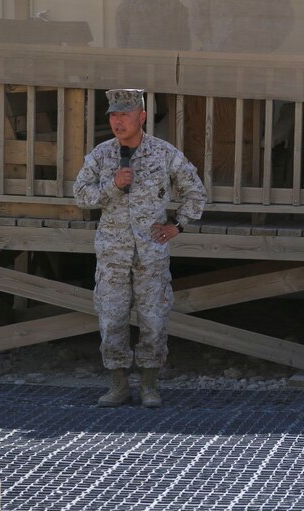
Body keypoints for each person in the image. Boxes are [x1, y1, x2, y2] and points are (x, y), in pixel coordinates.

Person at [74, 89, 206, 408]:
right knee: (112, 319)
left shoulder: (164, 154)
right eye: (114, 116)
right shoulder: (102, 155)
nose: (118, 122)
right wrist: (113, 185)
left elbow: (195, 192)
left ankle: (150, 386)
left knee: (153, 320)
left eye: (125, 115)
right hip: (113, 255)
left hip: (151, 254)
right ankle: (118, 385)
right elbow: (80, 195)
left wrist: (178, 225)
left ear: (142, 117)